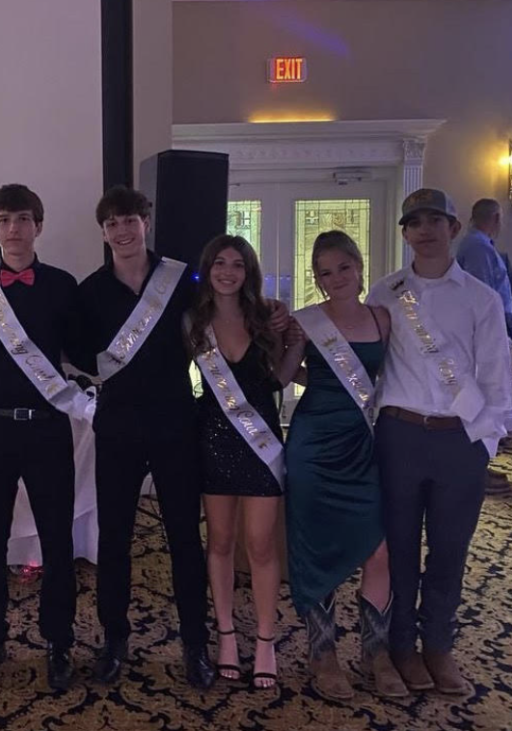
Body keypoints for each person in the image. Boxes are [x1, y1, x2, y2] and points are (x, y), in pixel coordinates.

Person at [365, 188, 512, 699]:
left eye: (435, 220)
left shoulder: (481, 298)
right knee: (398, 548)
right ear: (404, 233)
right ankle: (400, 645)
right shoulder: (384, 293)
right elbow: (367, 369)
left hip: (458, 441)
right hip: (399, 436)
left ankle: (439, 646)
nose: (425, 230)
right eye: (415, 222)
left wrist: (483, 447)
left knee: (449, 550)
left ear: (453, 228)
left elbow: (497, 376)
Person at [73, 186, 216, 688]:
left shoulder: (181, 281)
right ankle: (114, 640)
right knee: (113, 539)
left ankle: (196, 643)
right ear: (104, 232)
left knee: (183, 539)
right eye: (112, 223)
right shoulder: (89, 291)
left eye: (129, 219)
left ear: (146, 221)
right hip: (118, 427)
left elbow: (217, 327)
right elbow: (76, 358)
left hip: (176, 421)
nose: (122, 230)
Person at [0, 184, 86, 691]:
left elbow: (85, 349)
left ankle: (59, 643)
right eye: (3, 219)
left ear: (39, 224)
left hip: (46, 427)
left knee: (58, 542)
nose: (13, 228)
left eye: (22, 218)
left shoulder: (64, 284)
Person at [278, 231, 407, 702]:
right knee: (317, 547)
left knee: (380, 549)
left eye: (343, 268)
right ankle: (323, 652)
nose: (335, 279)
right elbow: (285, 373)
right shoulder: (307, 321)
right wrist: (285, 342)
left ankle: (376, 652)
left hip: (364, 443)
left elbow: (392, 374)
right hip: (313, 443)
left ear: (358, 266)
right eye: (325, 273)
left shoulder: (383, 318)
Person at [188, 234, 286, 691]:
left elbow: (281, 379)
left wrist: (299, 344)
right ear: (208, 270)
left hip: (262, 442)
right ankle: (226, 634)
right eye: (219, 263)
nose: (228, 272)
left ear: (249, 272)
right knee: (221, 542)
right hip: (213, 440)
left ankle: (266, 639)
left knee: (262, 545)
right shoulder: (193, 321)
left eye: (238, 265)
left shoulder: (267, 317)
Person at [455, 199, 512, 495]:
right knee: (477, 396)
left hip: (491, 332)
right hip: (483, 335)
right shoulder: (477, 247)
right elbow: (482, 297)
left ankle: (480, 461)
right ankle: (476, 464)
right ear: (495, 217)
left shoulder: (480, 244)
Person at [455, 199, 512, 339]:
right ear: (496, 217)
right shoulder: (478, 247)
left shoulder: (477, 244)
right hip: (490, 323)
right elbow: (482, 289)